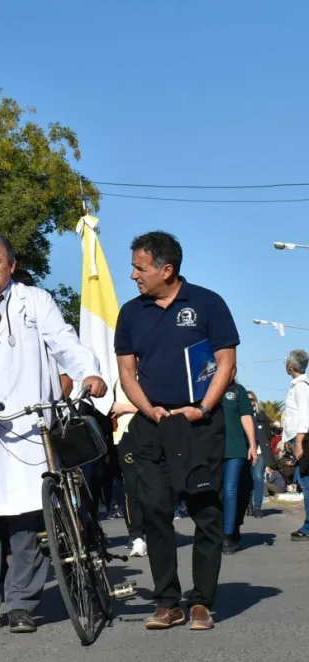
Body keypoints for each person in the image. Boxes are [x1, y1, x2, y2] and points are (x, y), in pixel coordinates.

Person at [0, 233, 105, 635]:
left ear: (11, 265)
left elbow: (64, 343)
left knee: (29, 521)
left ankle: (21, 604)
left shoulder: (36, 301)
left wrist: (89, 372)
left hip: (29, 428)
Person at [114, 231, 238, 631]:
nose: (133, 275)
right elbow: (127, 372)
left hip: (199, 425)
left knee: (206, 511)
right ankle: (168, 601)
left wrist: (201, 410)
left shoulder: (208, 303)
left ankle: (201, 601)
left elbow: (226, 363)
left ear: (166, 270)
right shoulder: (131, 313)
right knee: (154, 511)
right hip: (152, 425)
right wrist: (148, 409)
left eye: (139, 268)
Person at [220, 369, 257, 554]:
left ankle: (228, 535)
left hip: (235, 449)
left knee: (230, 490)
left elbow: (246, 417)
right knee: (216, 493)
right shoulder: (206, 390)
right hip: (212, 450)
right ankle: (220, 530)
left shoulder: (238, 391)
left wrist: (252, 445)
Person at [112, 382, 147, 557]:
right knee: (131, 487)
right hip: (123, 437)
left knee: (152, 486)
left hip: (149, 434)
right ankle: (137, 536)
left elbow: (155, 406)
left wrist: (125, 408)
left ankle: (154, 530)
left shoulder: (148, 373)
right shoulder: (117, 377)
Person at [282, 349, 309, 542]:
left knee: (306, 484)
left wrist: (299, 442)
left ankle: (308, 528)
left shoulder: (301, 386)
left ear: (290, 366)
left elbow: (305, 416)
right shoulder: (298, 385)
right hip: (300, 438)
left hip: (304, 439)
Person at [247, 391, 273, 518]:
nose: (250, 402)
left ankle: (257, 507)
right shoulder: (241, 415)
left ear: (255, 401)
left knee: (258, 477)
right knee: (247, 479)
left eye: (252, 399)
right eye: (247, 400)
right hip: (246, 451)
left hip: (260, 452)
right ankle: (248, 505)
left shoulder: (262, 417)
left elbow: (268, 436)